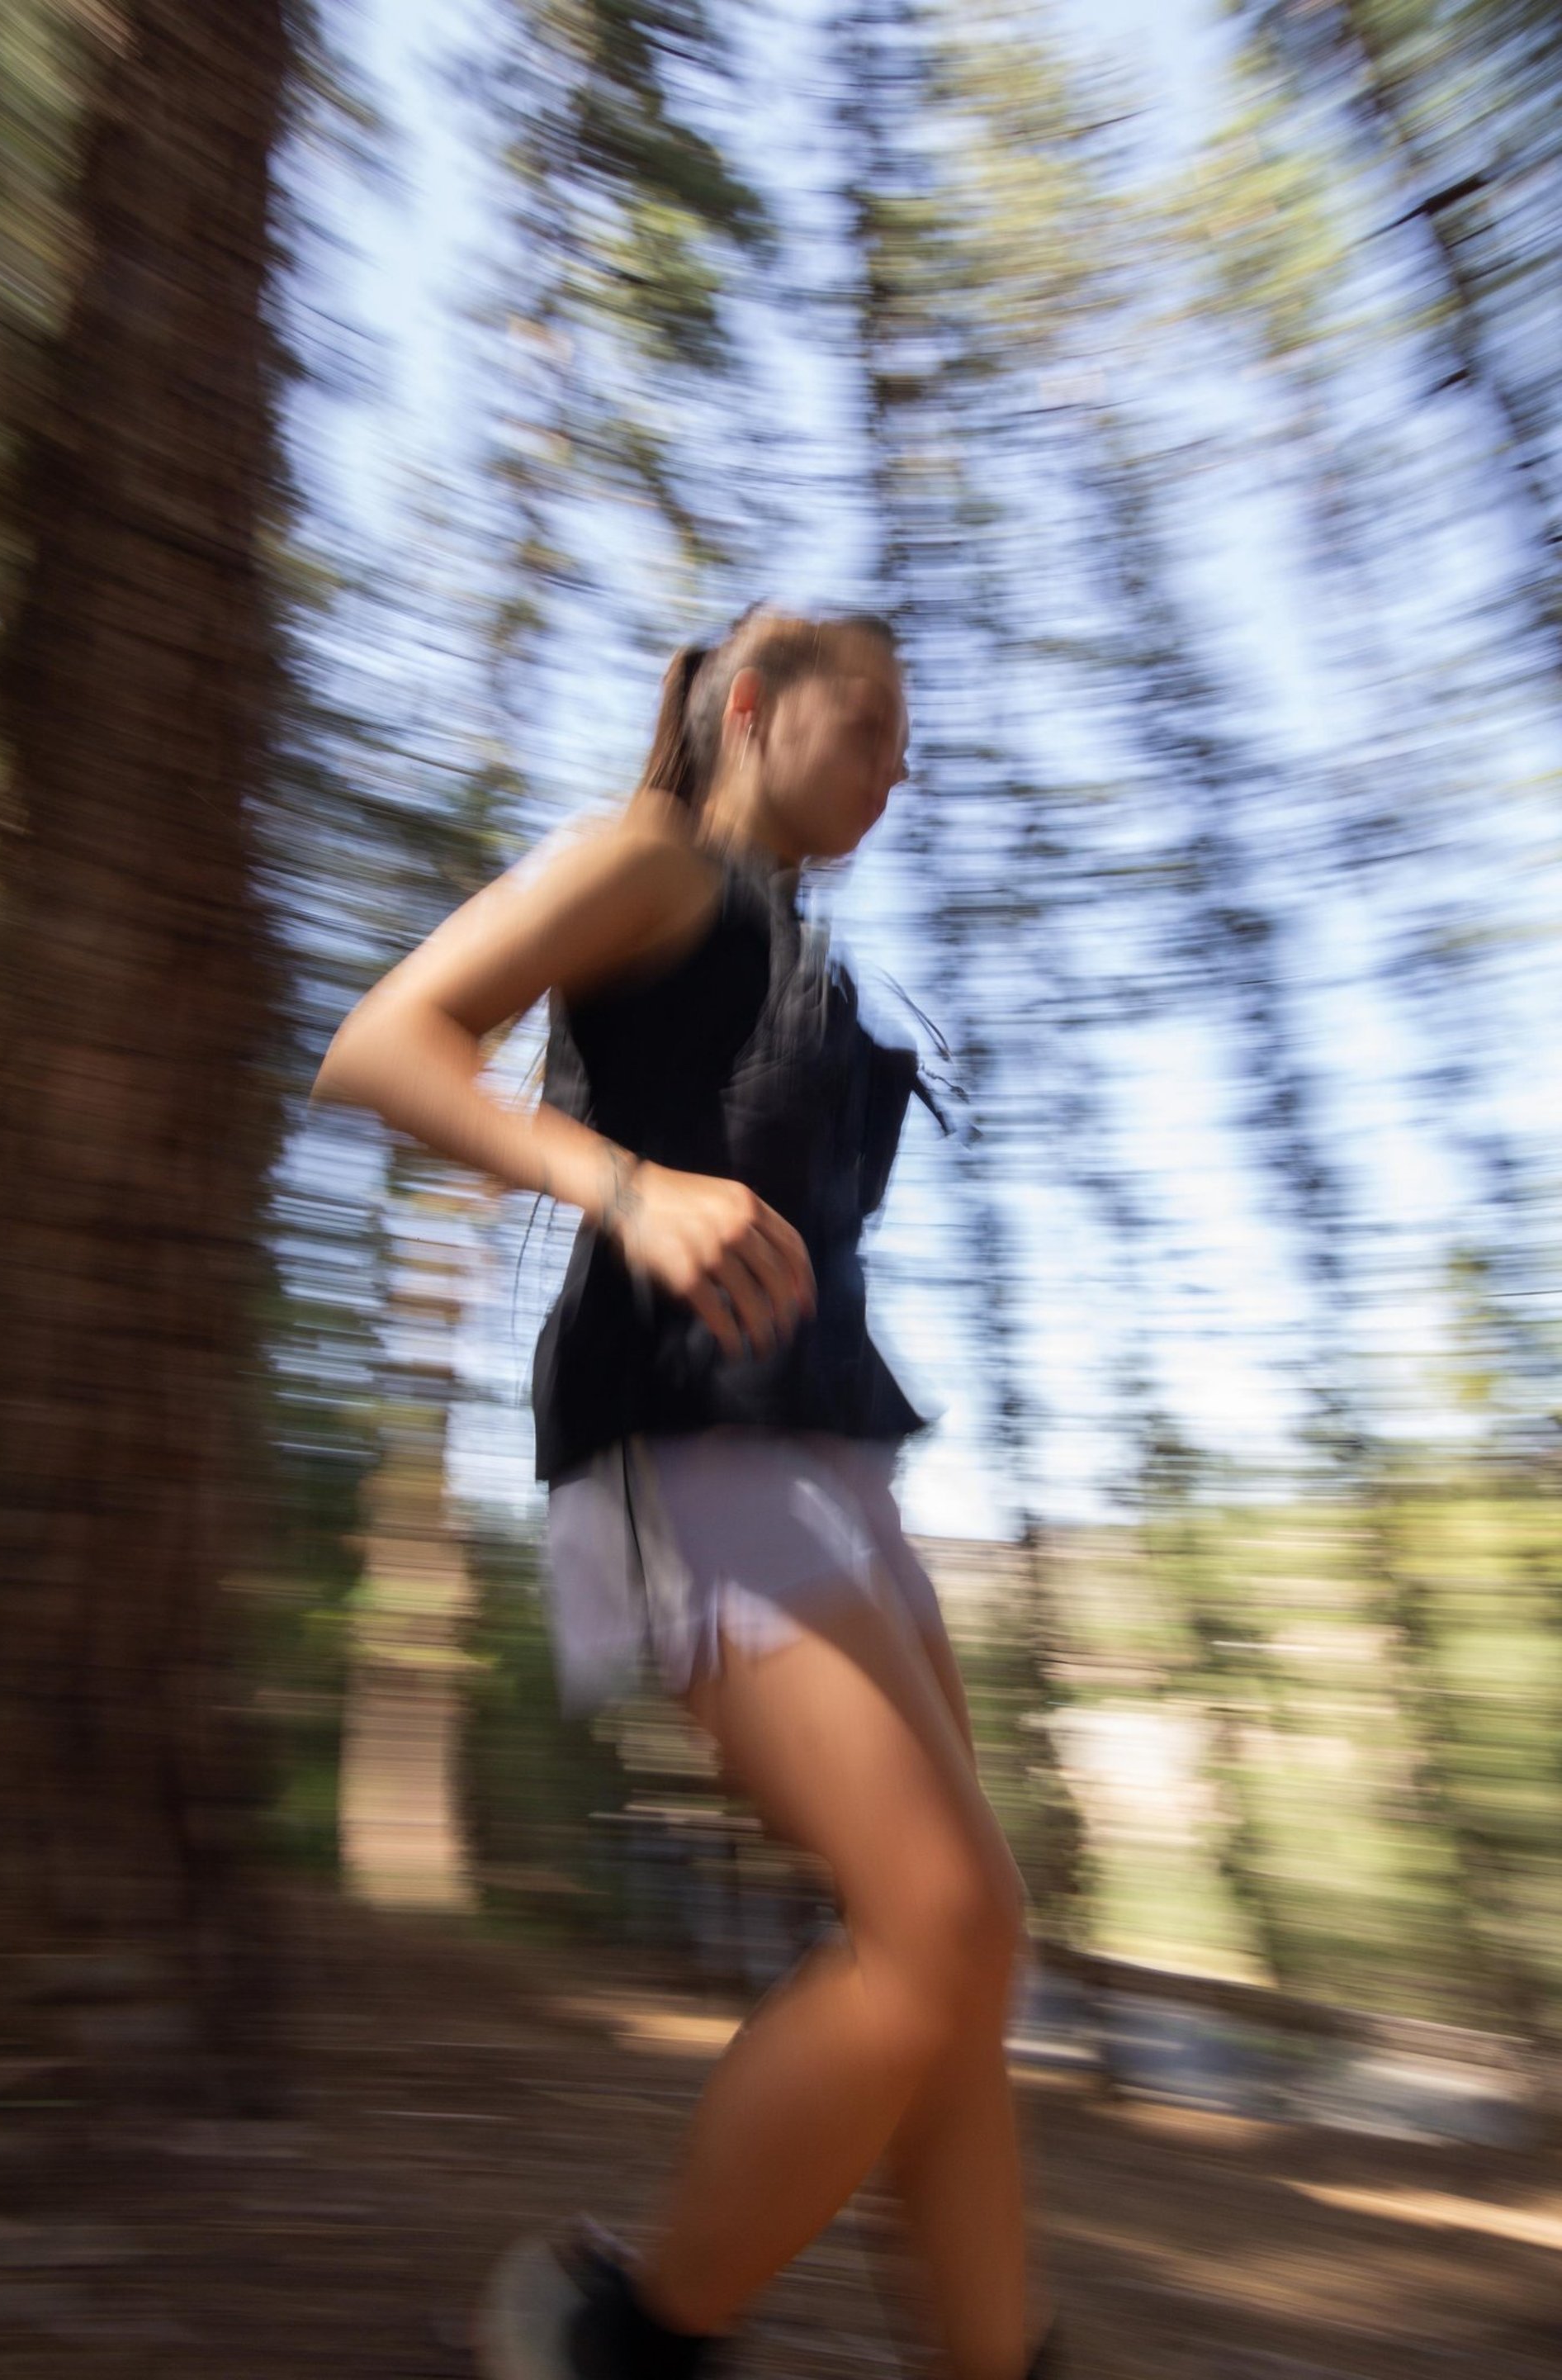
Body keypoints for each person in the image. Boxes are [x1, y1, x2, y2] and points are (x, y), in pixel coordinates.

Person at [312, 600, 1059, 2380]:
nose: (898, 760)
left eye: (906, 731)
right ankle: (617, 2337)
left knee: (971, 1946)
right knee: (935, 1921)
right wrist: (628, 1188)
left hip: (825, 1462)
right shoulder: (650, 857)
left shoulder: (791, 945)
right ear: (752, 704)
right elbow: (389, 1041)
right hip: (678, 1440)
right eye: (867, 716)